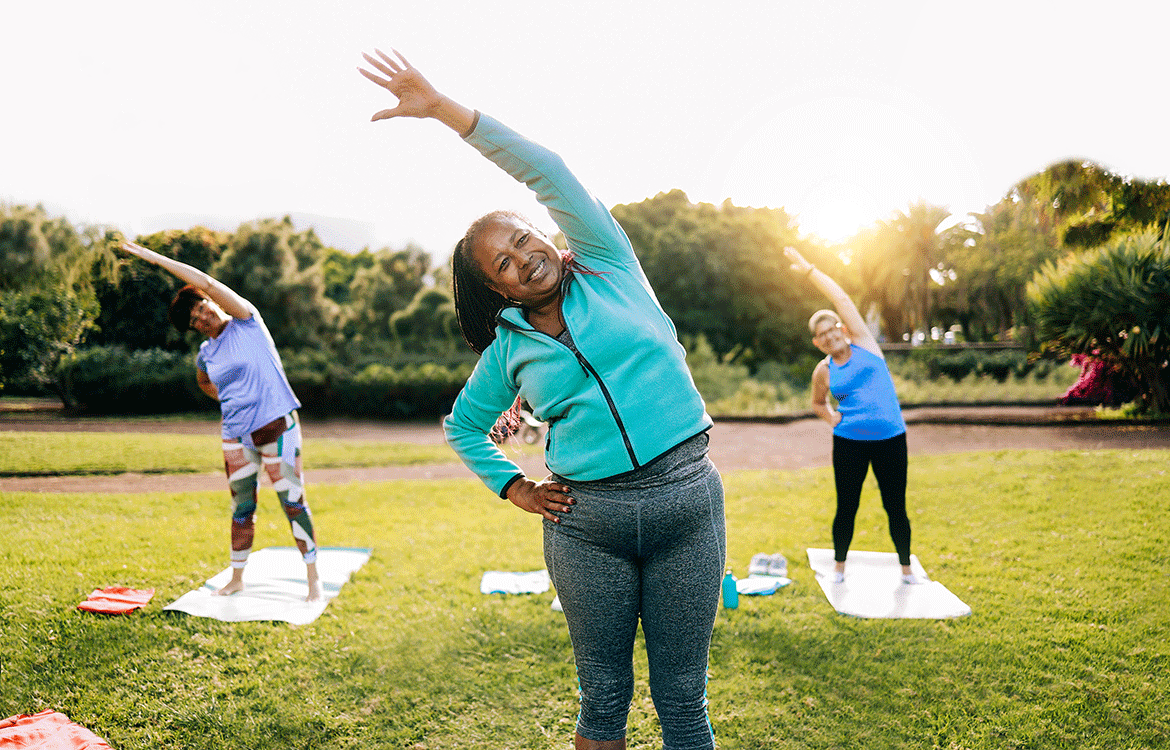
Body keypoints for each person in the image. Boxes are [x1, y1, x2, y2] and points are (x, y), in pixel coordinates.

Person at [358, 48, 725, 750]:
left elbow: (547, 171)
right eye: (504, 261)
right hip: (589, 526)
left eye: (524, 237)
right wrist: (514, 488)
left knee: (683, 701)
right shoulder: (508, 351)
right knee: (603, 704)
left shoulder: (608, 263)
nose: (524, 255)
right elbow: (463, 426)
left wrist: (444, 111)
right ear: (497, 290)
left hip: (686, 505)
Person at [118, 241, 322, 601]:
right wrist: (228, 400)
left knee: (292, 502)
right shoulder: (206, 353)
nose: (201, 318)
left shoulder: (246, 322)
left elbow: (208, 283)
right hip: (235, 438)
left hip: (277, 428)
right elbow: (203, 381)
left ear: (210, 302)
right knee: (242, 508)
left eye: (201, 308)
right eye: (194, 321)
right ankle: (237, 578)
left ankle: (313, 579)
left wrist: (152, 258)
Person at [783, 247, 922, 586]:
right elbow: (818, 403)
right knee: (847, 506)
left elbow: (842, 299)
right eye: (823, 335)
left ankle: (906, 571)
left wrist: (809, 271)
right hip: (849, 444)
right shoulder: (823, 370)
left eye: (833, 329)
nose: (830, 336)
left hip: (891, 440)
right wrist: (833, 420)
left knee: (895, 506)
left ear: (843, 329)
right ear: (818, 343)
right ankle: (839, 569)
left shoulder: (865, 345)